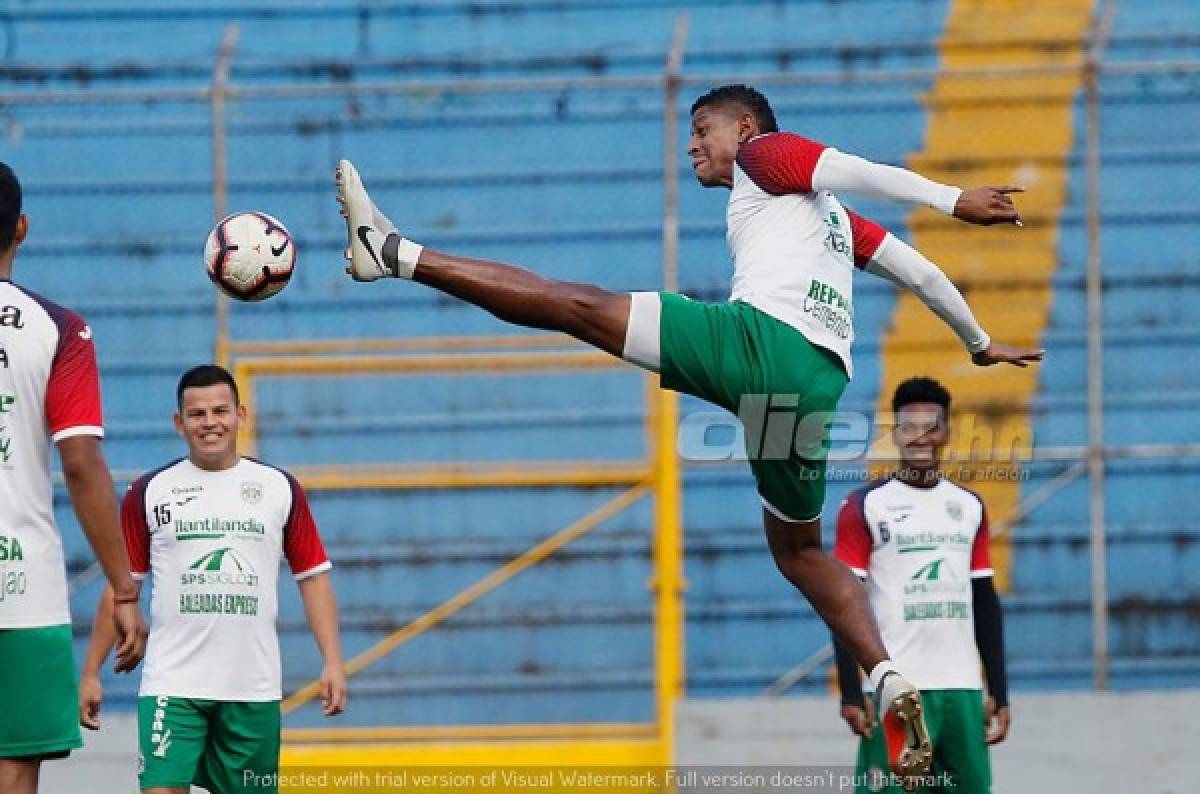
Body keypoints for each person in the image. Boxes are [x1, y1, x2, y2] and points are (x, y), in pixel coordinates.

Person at [333, 83, 1041, 783]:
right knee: (798, 551)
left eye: (703, 128)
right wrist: (978, 342)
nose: (692, 144)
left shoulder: (767, 154)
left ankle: (392, 252)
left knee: (578, 306)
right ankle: (884, 670)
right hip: (817, 385)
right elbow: (917, 269)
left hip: (759, 343)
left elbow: (857, 168)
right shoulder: (834, 225)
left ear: (743, 126)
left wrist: (954, 200)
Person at [78, 364, 347, 794]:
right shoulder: (149, 493)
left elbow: (312, 577)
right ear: (178, 422)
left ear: (241, 414)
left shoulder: (279, 488)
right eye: (197, 414)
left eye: (220, 411)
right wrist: (91, 670)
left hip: (251, 687)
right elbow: (122, 584)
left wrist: (332, 660)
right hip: (173, 684)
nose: (210, 424)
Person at [0, 162, 148, 794]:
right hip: (20, 584)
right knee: (13, 763)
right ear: (22, 229)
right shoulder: (59, 329)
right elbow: (82, 465)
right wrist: (121, 585)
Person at [833, 377, 1009, 793]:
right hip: (898, 690)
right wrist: (851, 694)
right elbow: (842, 604)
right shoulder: (865, 506)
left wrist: (999, 691)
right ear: (894, 433)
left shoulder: (969, 507)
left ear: (947, 433)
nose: (920, 437)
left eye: (931, 426)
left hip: (963, 692)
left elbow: (985, 602)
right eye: (909, 427)